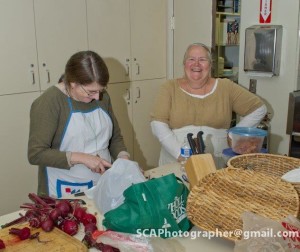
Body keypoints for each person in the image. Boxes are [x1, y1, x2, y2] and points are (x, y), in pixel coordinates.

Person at [28, 50, 130, 198]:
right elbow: (36, 154)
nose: (97, 96)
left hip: (101, 183)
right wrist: (83, 158)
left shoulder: (101, 97)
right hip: (63, 189)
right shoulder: (50, 102)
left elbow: (115, 138)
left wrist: (123, 160)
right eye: (90, 92)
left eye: (101, 90)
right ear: (72, 83)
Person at [150, 43, 267, 168]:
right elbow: (157, 123)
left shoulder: (226, 87)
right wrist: (180, 153)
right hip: (175, 161)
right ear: (184, 64)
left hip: (216, 162)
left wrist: (234, 135)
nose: (196, 64)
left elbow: (259, 109)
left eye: (202, 60)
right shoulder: (169, 88)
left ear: (210, 65)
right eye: (191, 59)